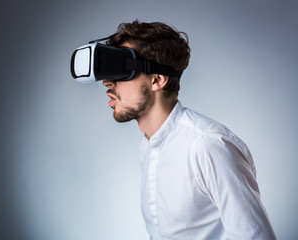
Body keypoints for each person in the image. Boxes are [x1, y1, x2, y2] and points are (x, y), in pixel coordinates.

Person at [102, 20, 276, 240]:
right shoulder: (146, 147)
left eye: (123, 70)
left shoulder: (208, 146)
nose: (108, 82)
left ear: (157, 80)